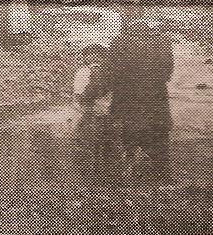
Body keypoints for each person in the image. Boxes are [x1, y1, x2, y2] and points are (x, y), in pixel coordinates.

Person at [99, 15, 175, 185]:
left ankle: (126, 180)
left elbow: (109, 75)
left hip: (127, 105)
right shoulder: (162, 42)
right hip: (156, 106)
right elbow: (167, 72)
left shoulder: (120, 43)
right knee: (158, 143)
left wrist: (93, 94)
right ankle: (161, 180)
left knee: (128, 140)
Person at [72, 42, 123, 188]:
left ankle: (93, 179)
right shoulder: (112, 71)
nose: (93, 61)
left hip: (93, 113)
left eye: (95, 58)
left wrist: (81, 104)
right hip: (107, 113)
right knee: (108, 145)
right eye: (90, 58)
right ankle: (108, 178)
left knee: (91, 144)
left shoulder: (88, 72)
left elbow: (82, 94)